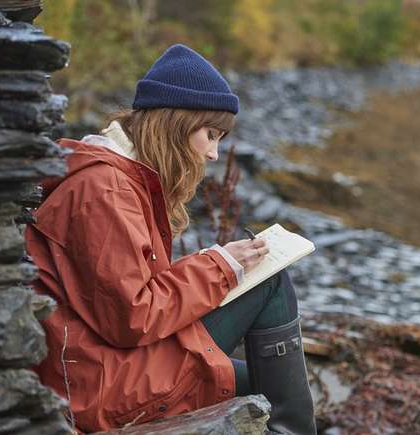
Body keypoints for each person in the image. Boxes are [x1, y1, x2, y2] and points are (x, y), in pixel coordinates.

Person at [24, 44, 316, 434]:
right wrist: (219, 267)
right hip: (96, 385)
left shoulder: (117, 177)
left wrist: (219, 261)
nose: (214, 154)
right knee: (270, 287)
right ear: (176, 125)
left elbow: (123, 293)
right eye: (210, 135)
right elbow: (131, 317)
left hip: (102, 363)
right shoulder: (105, 190)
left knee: (262, 381)